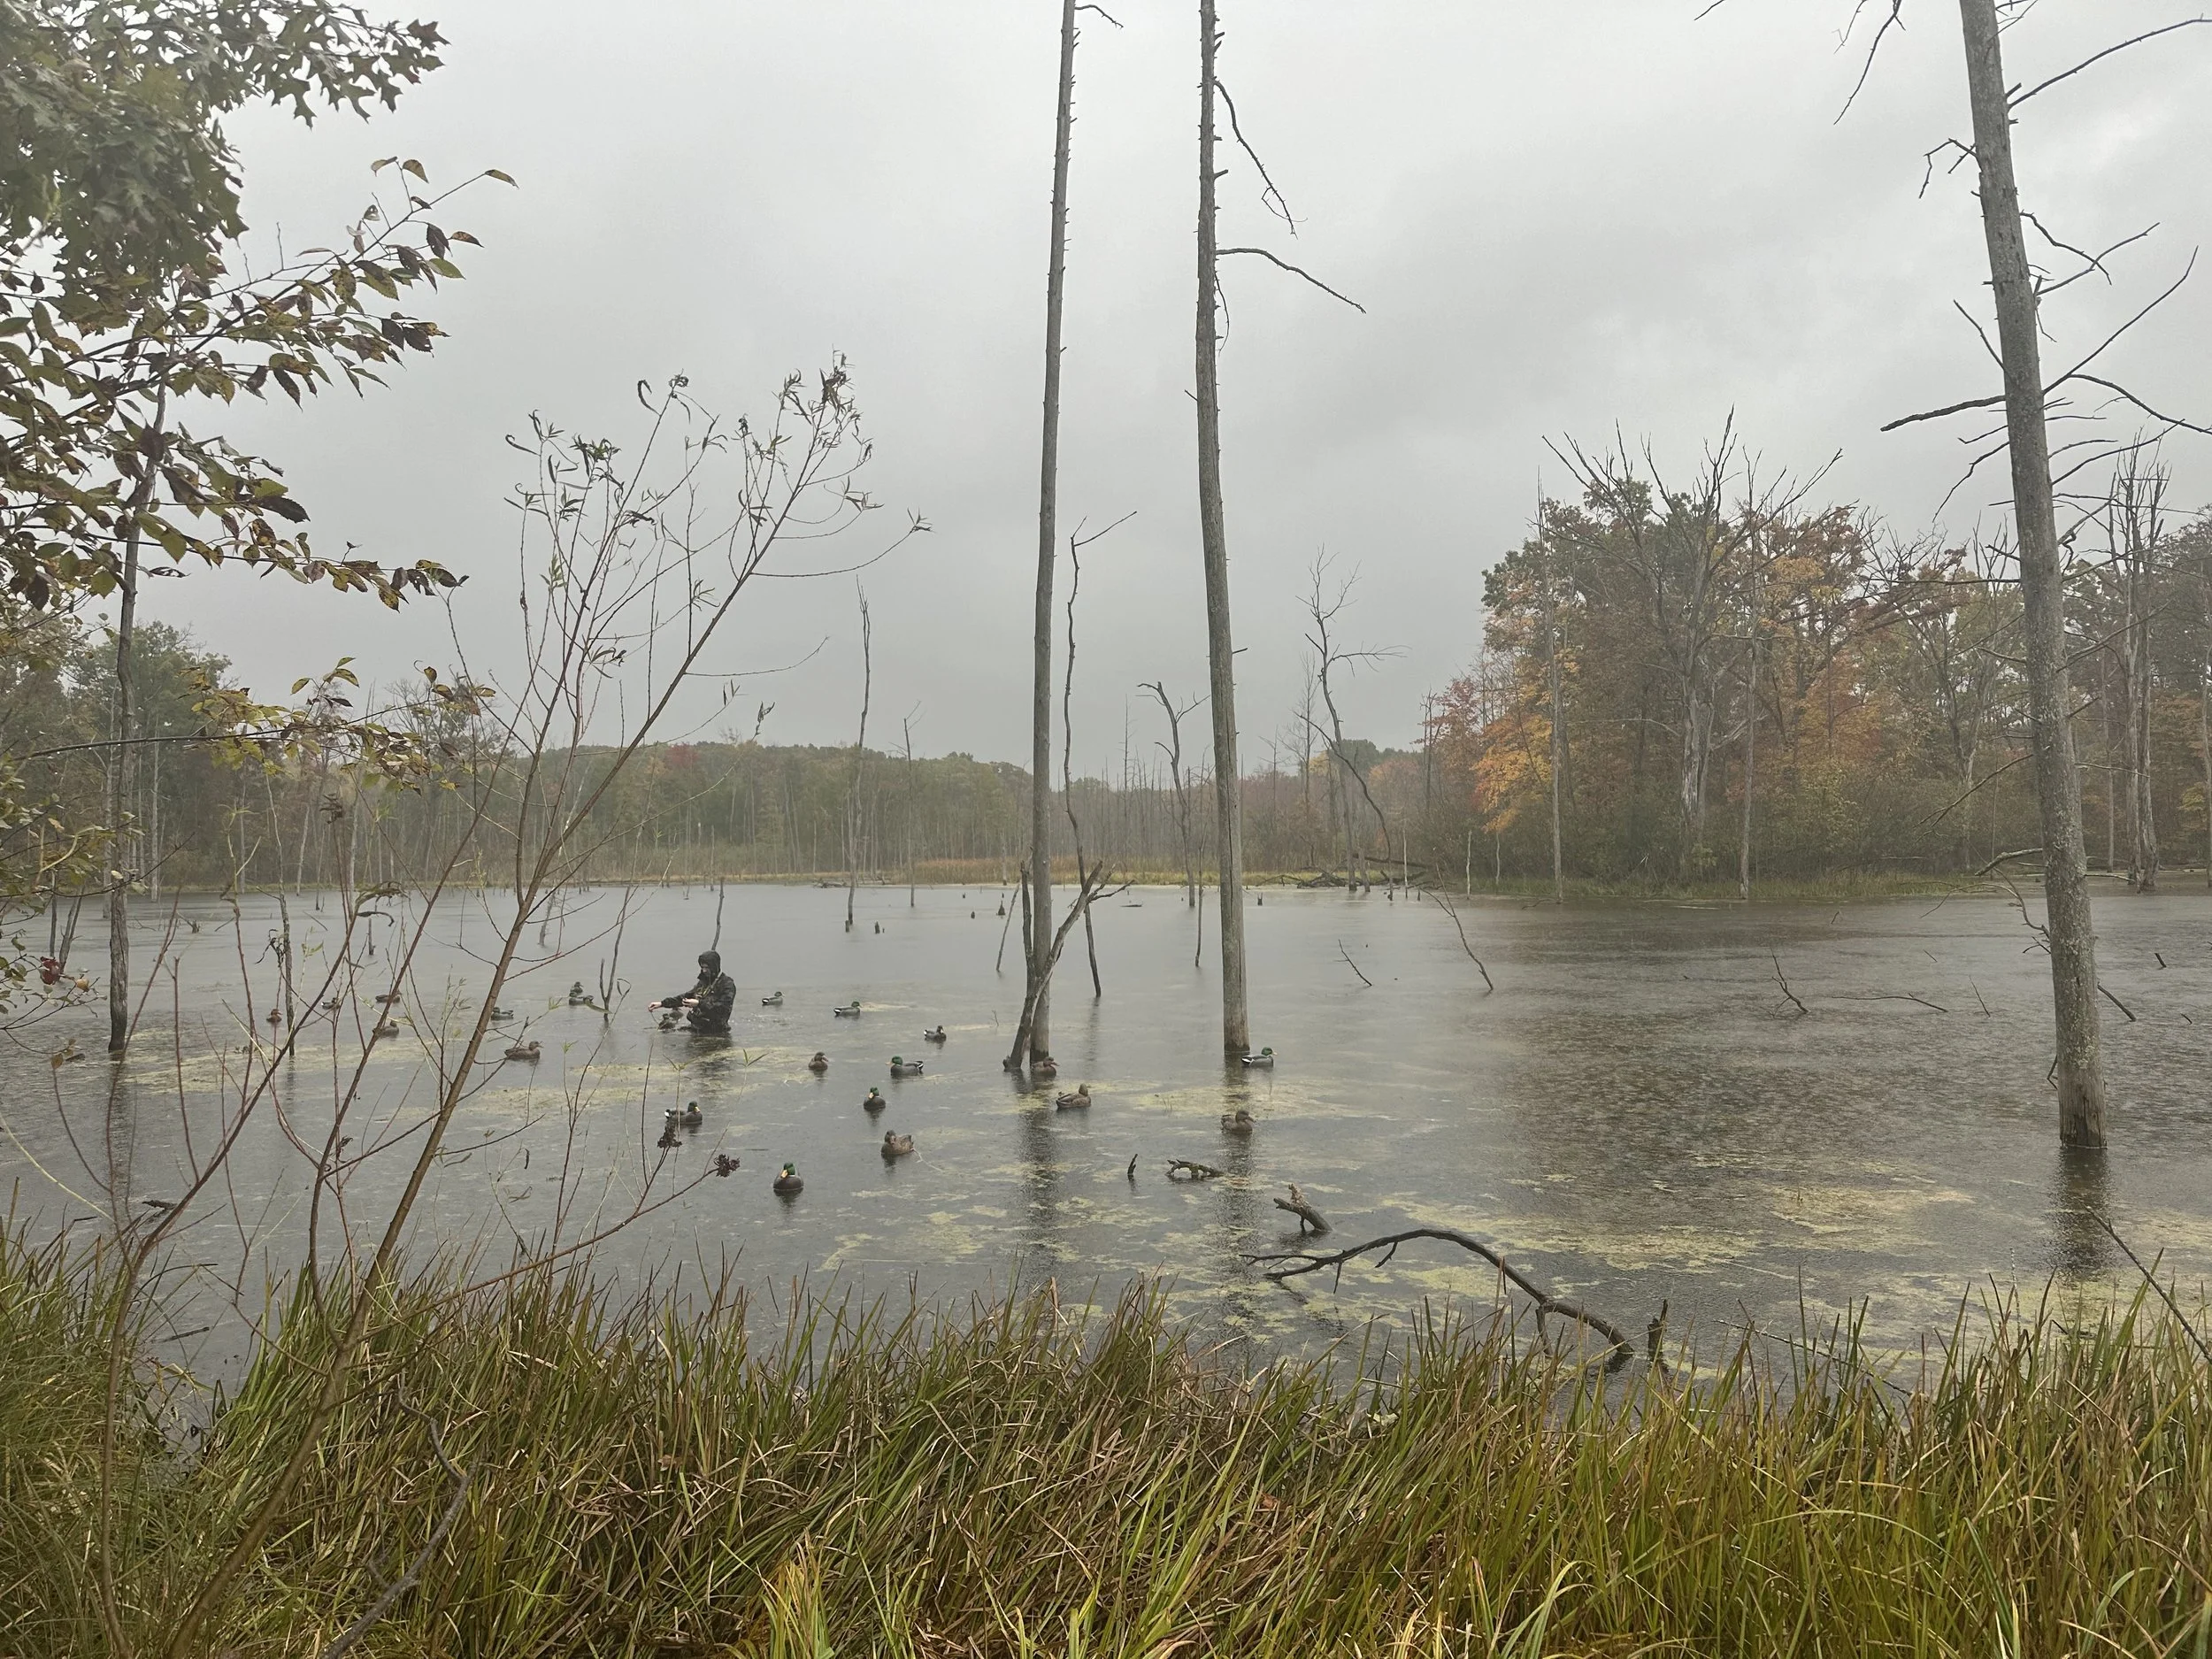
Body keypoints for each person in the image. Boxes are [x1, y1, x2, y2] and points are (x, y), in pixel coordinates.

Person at [649, 949, 735, 1037]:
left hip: (715, 1032)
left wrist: (699, 1003)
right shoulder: (704, 982)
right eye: (702, 967)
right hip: (697, 1028)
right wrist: (662, 1004)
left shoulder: (727, 984)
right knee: (665, 1033)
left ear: (714, 967)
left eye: (707, 968)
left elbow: (722, 1008)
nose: (704, 971)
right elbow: (685, 997)